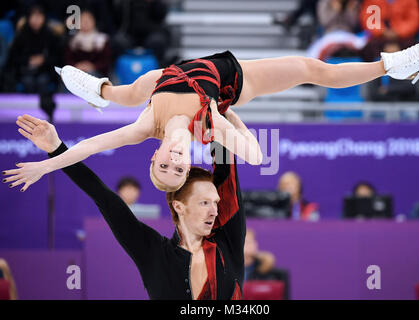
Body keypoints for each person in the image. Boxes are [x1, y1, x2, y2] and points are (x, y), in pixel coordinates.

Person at [3, 38, 419, 193]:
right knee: (312, 70)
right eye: (182, 167)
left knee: (126, 93)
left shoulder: (145, 128)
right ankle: (394, 65)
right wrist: (226, 118)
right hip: (227, 79)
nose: (175, 159)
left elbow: (89, 146)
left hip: (166, 78)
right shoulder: (206, 128)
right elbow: (254, 157)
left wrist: (46, 164)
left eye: (165, 165)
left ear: (153, 157)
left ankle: (98, 91)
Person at [7, 114, 246, 300]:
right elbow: (103, 197)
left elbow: (226, 170)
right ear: (179, 207)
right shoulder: (152, 251)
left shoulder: (229, 242)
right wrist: (56, 148)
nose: (215, 210)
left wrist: (213, 114)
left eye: (215, 203)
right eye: (204, 203)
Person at [4, 4, 61, 120]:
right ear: (28, 18)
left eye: (39, 16)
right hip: (25, 72)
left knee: (43, 81)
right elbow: (13, 59)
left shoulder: (50, 36)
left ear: (44, 18)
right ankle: (26, 116)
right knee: (27, 81)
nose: (36, 20)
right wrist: (28, 60)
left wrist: (43, 60)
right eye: (33, 16)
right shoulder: (21, 36)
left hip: (45, 72)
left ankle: (47, 115)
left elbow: (57, 58)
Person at [64, 9, 112, 78]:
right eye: (82, 20)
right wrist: (77, 66)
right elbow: (67, 59)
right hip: (76, 72)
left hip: (96, 73)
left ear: (94, 21)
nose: (85, 23)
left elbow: (106, 61)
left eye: (88, 20)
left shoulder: (102, 39)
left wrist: (92, 66)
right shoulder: (73, 40)